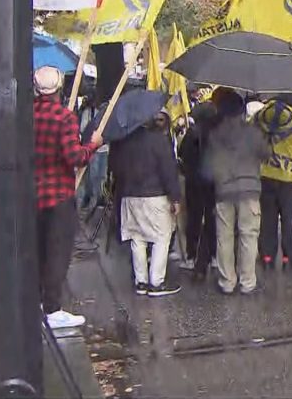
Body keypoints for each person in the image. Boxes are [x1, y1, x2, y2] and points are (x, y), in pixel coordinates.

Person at [32, 67, 102, 329]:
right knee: (57, 254)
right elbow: (75, 157)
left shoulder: (25, 115)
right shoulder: (64, 117)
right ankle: (52, 309)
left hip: (32, 194)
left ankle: (39, 302)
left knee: (39, 251)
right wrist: (92, 144)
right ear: (60, 87)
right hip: (59, 195)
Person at [204, 89, 271, 295]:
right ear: (241, 110)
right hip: (249, 189)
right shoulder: (253, 132)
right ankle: (247, 281)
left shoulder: (214, 133)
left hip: (224, 190)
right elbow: (266, 155)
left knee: (224, 236)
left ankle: (227, 281)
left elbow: (209, 164)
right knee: (248, 236)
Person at [112, 110, 183, 296]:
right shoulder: (159, 141)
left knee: (137, 237)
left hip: (129, 195)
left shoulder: (124, 141)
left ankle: (141, 280)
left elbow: (115, 168)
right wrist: (175, 197)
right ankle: (156, 282)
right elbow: (168, 171)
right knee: (161, 237)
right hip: (155, 195)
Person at [256, 99, 292, 271]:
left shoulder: (260, 116)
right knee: (288, 220)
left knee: (268, 219)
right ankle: (288, 258)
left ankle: (267, 257)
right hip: (289, 178)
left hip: (266, 174)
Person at [177, 101, 218, 279]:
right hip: (213, 181)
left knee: (194, 217)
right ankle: (211, 255)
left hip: (193, 180)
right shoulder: (219, 133)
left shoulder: (193, 132)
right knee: (211, 218)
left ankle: (192, 253)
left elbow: (182, 153)